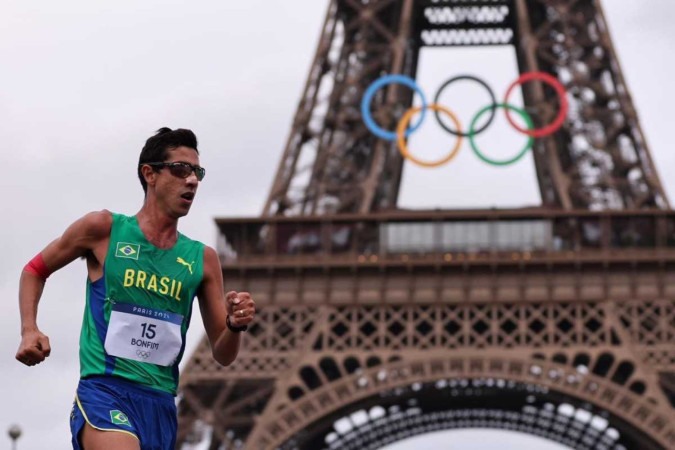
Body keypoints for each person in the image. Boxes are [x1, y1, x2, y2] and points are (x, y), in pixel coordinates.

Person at [15, 128, 256, 450]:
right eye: (181, 169)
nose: (192, 180)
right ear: (150, 174)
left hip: (159, 404)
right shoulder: (103, 229)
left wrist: (235, 325)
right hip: (105, 391)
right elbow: (34, 270)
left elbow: (223, 354)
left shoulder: (203, 259)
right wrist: (29, 329)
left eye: (197, 172)